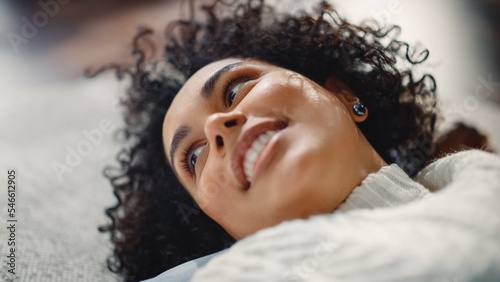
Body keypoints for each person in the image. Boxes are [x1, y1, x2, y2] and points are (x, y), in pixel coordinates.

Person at [96, 0, 500, 281]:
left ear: (344, 94)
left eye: (235, 91)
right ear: (225, 228)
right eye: (196, 156)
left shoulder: (474, 177)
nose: (219, 125)